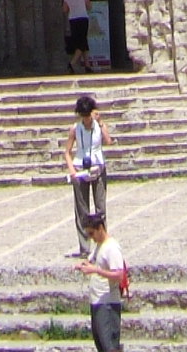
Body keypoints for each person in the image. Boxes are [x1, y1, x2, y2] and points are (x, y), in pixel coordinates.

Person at [74, 215, 128, 352]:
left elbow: (119, 275)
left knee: (109, 346)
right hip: (98, 302)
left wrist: (96, 270)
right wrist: (84, 265)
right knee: (101, 345)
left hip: (108, 303)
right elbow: (93, 261)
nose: (91, 237)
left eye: (92, 233)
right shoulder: (100, 246)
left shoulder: (112, 248)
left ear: (100, 228)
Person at [64, 92, 108, 255]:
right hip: (80, 168)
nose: (86, 119)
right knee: (82, 209)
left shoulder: (99, 126)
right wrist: (71, 170)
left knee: (100, 207)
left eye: (88, 115)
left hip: (98, 167)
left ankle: (103, 242)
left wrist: (101, 123)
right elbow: (67, 152)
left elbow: (108, 141)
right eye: (83, 116)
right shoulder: (75, 129)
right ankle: (84, 247)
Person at [62, 0, 91, 72]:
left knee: (81, 40)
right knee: (82, 42)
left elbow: (65, 9)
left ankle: (87, 66)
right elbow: (89, 6)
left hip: (73, 19)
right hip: (83, 18)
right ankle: (72, 63)